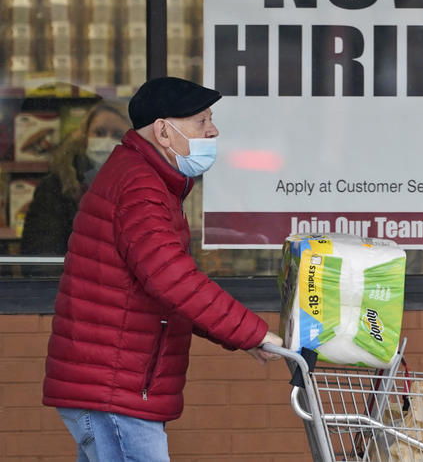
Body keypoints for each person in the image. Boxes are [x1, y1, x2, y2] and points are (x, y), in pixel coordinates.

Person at [42, 76, 283, 462]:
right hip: (114, 386)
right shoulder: (140, 186)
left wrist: (244, 337)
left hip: (112, 382)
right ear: (164, 132)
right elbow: (173, 279)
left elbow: (167, 287)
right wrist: (251, 331)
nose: (213, 130)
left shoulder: (143, 178)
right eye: (201, 121)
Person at [21, 101, 131, 257]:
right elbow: (41, 255)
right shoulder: (56, 186)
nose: (107, 141)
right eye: (99, 133)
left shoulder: (141, 185)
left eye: (117, 135)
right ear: (85, 136)